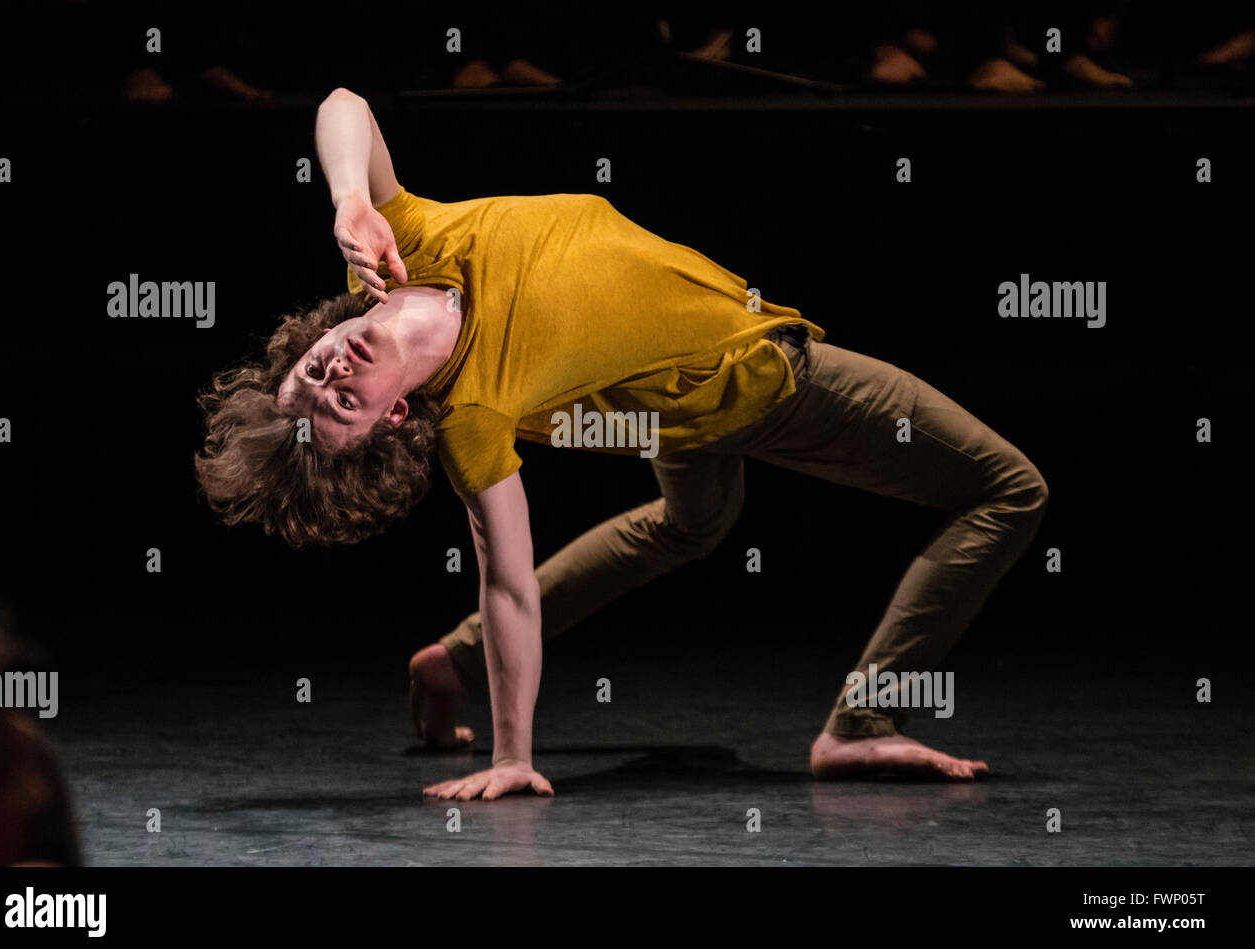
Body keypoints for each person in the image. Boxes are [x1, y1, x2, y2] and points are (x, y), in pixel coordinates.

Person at [195, 88, 1049, 800]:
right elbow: (509, 586)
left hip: (675, 401)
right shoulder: (472, 417)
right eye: (342, 400)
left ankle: (444, 664)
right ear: (389, 420)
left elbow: (345, 103)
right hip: (763, 380)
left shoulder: (394, 249)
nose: (333, 371)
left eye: (311, 374)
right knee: (1010, 488)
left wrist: (346, 196)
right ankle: (861, 723)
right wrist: (511, 758)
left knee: (692, 525)